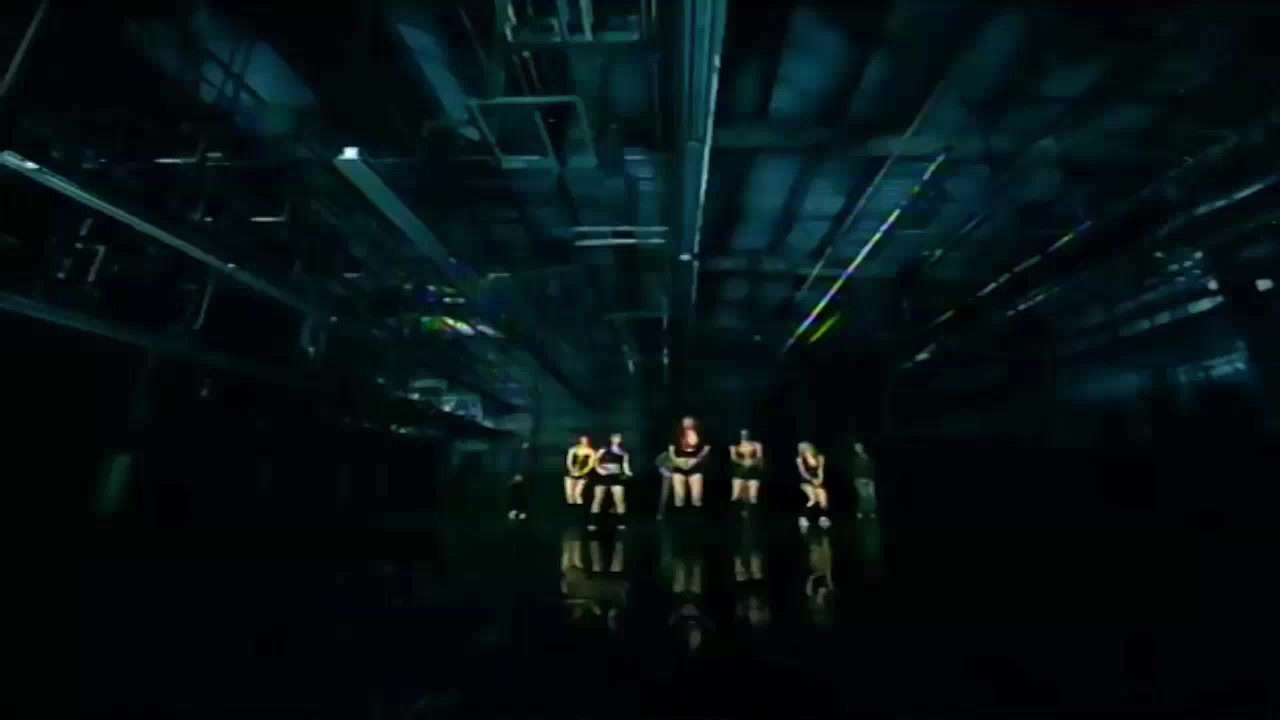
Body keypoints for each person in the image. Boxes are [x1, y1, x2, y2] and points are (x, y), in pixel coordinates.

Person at [589, 432, 631, 530]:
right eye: (616, 438)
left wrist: (627, 472)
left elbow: (625, 464)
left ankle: (621, 522)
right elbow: (595, 460)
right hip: (603, 475)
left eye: (619, 438)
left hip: (616, 475)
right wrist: (598, 469)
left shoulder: (623, 451)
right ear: (611, 439)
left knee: (619, 499)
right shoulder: (604, 449)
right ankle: (592, 522)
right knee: (598, 498)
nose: (618, 440)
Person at [669, 416, 710, 508]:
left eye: (689, 421)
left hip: (696, 466)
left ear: (694, 423)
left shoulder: (701, 434)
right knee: (679, 497)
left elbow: (706, 449)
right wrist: (677, 461)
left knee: (696, 498)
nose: (687, 424)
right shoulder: (676, 434)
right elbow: (671, 452)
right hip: (679, 466)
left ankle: (696, 510)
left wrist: (696, 460)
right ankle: (678, 511)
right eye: (685, 422)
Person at [729, 428, 765, 512]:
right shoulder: (735, 445)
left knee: (753, 497)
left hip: (753, 472)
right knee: (736, 496)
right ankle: (736, 514)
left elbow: (760, 457)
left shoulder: (757, 445)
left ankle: (752, 514)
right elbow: (733, 458)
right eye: (743, 434)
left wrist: (752, 462)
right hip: (739, 472)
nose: (744, 436)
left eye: (746, 434)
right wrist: (743, 462)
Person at [796, 441, 830, 530]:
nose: (805, 451)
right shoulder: (800, 459)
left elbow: (820, 470)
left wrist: (820, 480)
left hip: (817, 480)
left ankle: (823, 518)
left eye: (806, 449)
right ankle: (803, 518)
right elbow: (803, 473)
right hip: (806, 481)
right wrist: (812, 480)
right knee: (813, 498)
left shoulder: (819, 457)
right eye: (803, 450)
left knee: (823, 497)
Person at [564, 435, 595, 505]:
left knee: (578, 494)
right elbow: (568, 461)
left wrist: (582, 472)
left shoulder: (591, 451)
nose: (584, 442)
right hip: (571, 473)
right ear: (579, 441)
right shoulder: (573, 449)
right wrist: (572, 470)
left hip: (583, 474)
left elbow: (590, 465)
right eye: (582, 440)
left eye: (586, 440)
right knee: (569, 493)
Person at [851, 440, 878, 520]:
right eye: (856, 447)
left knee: (872, 496)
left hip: (870, 479)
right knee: (864, 496)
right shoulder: (854, 458)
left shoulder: (868, 456)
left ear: (862, 446)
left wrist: (872, 480)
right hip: (859, 480)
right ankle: (860, 511)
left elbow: (872, 468)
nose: (857, 448)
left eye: (859, 446)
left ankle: (872, 512)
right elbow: (854, 470)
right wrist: (858, 479)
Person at [655, 450, 674, 519]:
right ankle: (661, 513)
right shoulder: (666, 453)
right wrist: (664, 471)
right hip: (668, 476)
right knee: (664, 495)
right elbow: (657, 462)